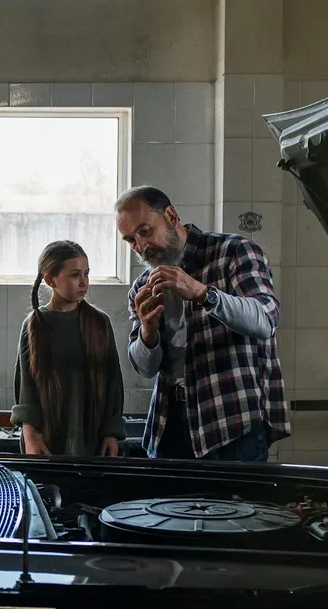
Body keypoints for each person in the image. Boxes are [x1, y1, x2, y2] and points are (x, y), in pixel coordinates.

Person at [118, 185, 289, 461]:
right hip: (169, 424)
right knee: (162, 506)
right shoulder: (142, 285)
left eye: (145, 231)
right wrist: (148, 332)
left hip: (231, 422)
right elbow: (145, 368)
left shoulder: (233, 252)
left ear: (171, 216)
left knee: (235, 505)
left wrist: (202, 293)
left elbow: (265, 319)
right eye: (130, 240)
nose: (141, 246)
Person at [11, 240, 127, 457]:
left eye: (86, 273)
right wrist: (30, 437)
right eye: (75, 275)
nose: (84, 282)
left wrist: (112, 434)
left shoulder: (99, 323)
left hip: (93, 444)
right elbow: (26, 387)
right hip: (46, 443)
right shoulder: (35, 325)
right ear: (50, 279)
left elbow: (113, 382)